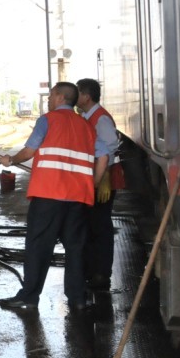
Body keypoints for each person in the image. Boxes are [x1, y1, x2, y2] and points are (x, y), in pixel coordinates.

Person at [0, 82, 103, 312]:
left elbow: (29, 151)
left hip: (49, 195)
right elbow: (100, 156)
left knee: (38, 247)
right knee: (75, 248)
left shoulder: (47, 120)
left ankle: (29, 297)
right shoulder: (86, 126)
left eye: (51, 95)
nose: (48, 99)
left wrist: (10, 160)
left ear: (59, 97)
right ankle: (77, 299)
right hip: (77, 198)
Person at [76, 78, 121, 291]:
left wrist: (103, 178)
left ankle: (101, 274)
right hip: (94, 178)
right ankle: (93, 269)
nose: (76, 97)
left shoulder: (100, 118)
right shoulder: (89, 116)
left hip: (102, 179)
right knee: (93, 225)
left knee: (100, 226)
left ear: (86, 96)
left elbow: (110, 147)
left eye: (78, 93)